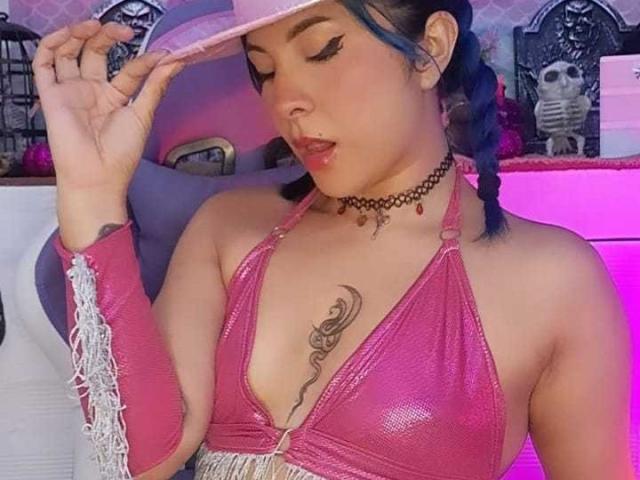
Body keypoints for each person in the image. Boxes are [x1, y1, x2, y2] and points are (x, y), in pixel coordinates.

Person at [33, 0, 635, 479]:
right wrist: (90, 195)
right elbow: (143, 459)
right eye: (264, 70)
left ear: (430, 48)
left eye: (322, 50)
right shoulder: (229, 230)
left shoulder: (551, 281)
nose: (286, 102)